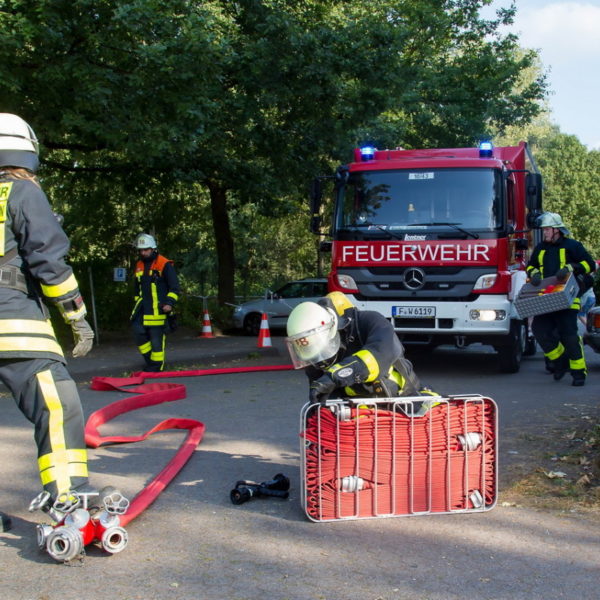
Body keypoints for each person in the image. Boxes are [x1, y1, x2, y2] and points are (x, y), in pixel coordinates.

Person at [0, 113, 95, 531]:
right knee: (58, 407)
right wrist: (77, 318)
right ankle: (67, 500)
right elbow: (48, 262)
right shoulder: (20, 192)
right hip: (13, 327)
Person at [285, 291, 436, 406]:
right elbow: (323, 398)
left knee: (439, 424)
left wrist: (334, 376)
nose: (319, 358)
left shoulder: (371, 322)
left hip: (406, 399)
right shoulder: (316, 356)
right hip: (359, 406)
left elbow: (379, 356)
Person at [526, 212, 596, 386]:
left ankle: (579, 373)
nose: (545, 233)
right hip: (547, 298)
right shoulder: (541, 248)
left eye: (548, 230)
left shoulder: (573, 246)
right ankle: (560, 361)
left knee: (569, 336)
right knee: (539, 329)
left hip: (568, 299)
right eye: (544, 230)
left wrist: (572, 267)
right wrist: (534, 274)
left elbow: (590, 264)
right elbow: (531, 266)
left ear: (557, 230)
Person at [130, 233, 180, 372]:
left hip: (158, 310)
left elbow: (175, 287)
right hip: (142, 310)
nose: (143, 252)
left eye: (146, 249)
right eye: (141, 250)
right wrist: (136, 304)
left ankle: (156, 367)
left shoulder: (164, 264)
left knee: (156, 341)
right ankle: (150, 362)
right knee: (139, 334)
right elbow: (136, 288)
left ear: (153, 249)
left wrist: (169, 303)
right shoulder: (139, 265)